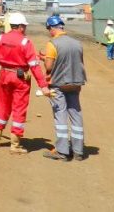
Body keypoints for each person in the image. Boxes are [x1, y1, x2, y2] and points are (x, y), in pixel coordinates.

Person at [0, 12, 50, 154]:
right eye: (24, 26)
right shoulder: (25, 42)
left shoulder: (0, 38)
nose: (25, 29)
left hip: (4, 76)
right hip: (20, 79)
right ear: (20, 27)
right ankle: (15, 145)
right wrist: (43, 86)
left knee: (2, 104)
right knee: (19, 108)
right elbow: (34, 66)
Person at [42, 15, 87, 161]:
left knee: (60, 115)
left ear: (52, 28)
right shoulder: (77, 43)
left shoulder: (52, 44)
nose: (49, 32)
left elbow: (49, 67)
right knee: (76, 115)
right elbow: (76, 62)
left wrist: (45, 59)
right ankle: (78, 151)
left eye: (49, 29)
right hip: (76, 83)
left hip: (59, 84)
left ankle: (62, 151)